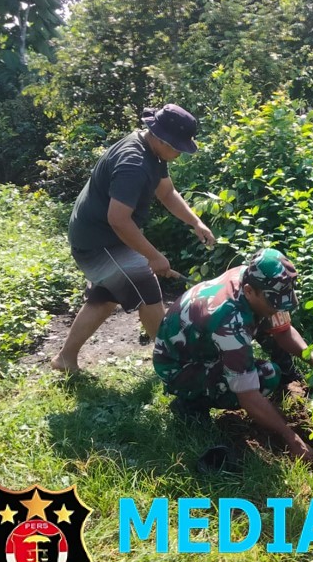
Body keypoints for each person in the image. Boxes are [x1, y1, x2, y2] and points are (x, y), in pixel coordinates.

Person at [51, 104, 216, 373]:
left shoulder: (153, 152)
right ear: (162, 139)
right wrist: (153, 257)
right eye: (178, 148)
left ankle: (65, 359)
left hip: (104, 236)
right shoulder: (134, 163)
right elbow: (118, 220)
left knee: (104, 298)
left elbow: (167, 193)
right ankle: (171, 361)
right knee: (147, 289)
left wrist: (195, 222)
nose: (180, 153)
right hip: (98, 242)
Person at [153, 248, 313, 465]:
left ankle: (289, 376)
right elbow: (247, 395)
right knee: (266, 376)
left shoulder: (251, 278)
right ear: (249, 291)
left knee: (269, 323)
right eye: (274, 303)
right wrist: (290, 437)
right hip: (180, 366)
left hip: (203, 344)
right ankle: (190, 404)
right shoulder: (229, 320)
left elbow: (283, 329)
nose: (278, 308)